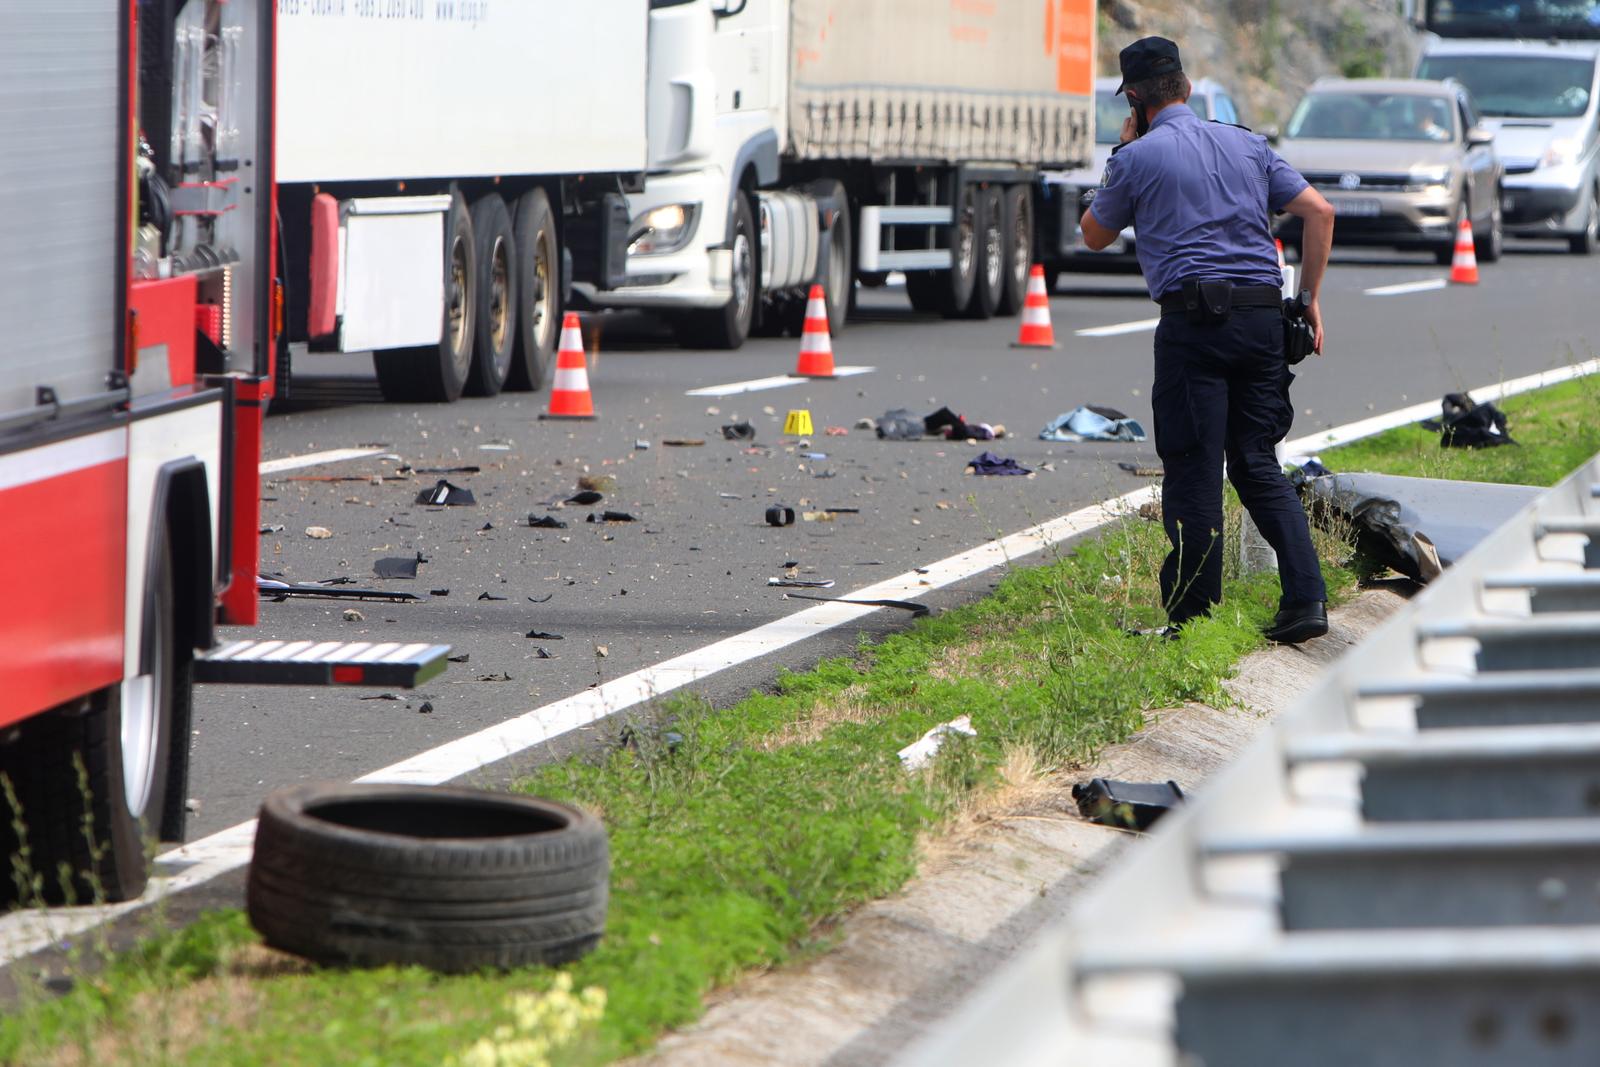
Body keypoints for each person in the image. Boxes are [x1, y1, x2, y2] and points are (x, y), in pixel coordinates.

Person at [1080, 36, 1336, 644]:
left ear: (1136, 100)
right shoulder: (1248, 144)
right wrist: (1309, 299)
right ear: (1188, 89)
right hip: (1263, 321)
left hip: (1194, 326)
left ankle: (1194, 621)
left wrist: (1121, 150)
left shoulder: (1137, 157)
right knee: (1256, 463)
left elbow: (1093, 235)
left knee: (1194, 470)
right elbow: (1320, 212)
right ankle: (1307, 601)